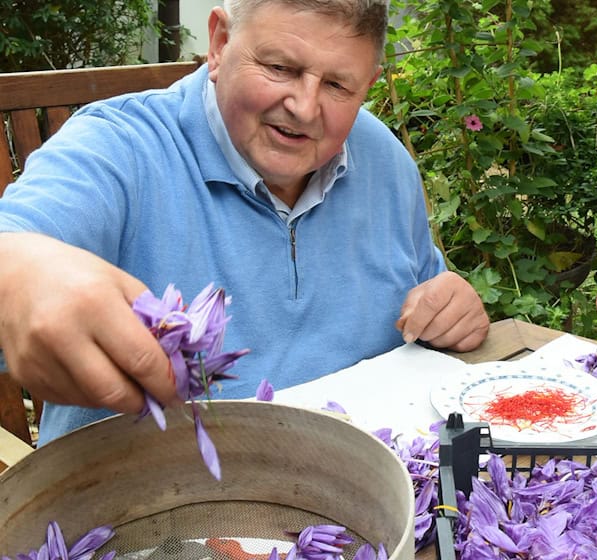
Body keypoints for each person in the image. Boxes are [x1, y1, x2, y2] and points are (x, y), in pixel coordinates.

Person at [0, 0, 489, 445]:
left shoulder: (382, 156)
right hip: (143, 509)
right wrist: (21, 277)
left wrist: (449, 306)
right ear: (219, 44)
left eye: (338, 85)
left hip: (361, 488)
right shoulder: (117, 148)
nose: (304, 107)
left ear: (369, 85)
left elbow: (426, 293)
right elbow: (14, 246)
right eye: (280, 68)